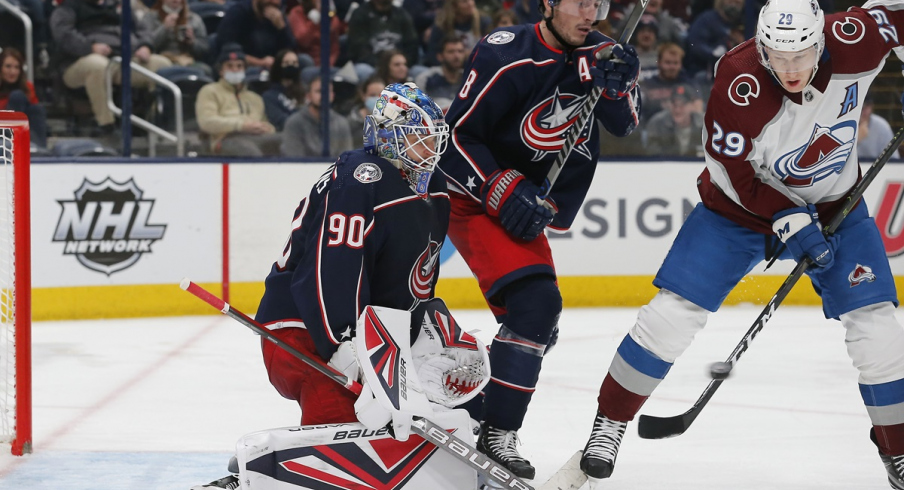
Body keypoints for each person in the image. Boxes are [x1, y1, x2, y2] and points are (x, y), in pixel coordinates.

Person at [580, 1, 904, 488]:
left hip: (836, 204)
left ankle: (897, 450)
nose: (790, 69)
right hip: (736, 211)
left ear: (823, 39)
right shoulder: (738, 78)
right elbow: (732, 168)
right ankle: (609, 422)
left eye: (802, 54)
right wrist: (787, 217)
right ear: (760, 44)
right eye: (777, 55)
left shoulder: (856, 36)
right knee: (670, 317)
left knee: (877, 328)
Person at [194, 83, 464, 490]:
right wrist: (346, 345)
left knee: (415, 409)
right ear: (388, 137)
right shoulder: (361, 177)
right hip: (303, 329)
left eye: (433, 141)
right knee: (344, 420)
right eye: (418, 139)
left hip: (368, 336)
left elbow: (415, 281)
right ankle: (257, 479)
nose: (430, 151)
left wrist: (421, 338)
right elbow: (330, 270)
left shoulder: (434, 189)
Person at [438, 0, 642, 479]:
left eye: (599, 3)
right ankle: (496, 432)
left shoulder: (608, 53)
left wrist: (620, 87)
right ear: (549, 4)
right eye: (579, 2)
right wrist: (497, 184)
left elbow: (624, 125)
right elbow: (455, 139)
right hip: (474, 198)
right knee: (535, 308)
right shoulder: (506, 53)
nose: (590, 12)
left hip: (524, 204)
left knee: (536, 327)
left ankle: (474, 401)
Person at [49, 0, 173, 132]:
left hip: (122, 58)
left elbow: (142, 29)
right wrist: (89, 47)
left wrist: (145, 45)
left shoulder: (119, 4)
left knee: (161, 64)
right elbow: (63, 35)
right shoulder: (69, 6)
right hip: (77, 63)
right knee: (97, 65)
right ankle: (106, 124)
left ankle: (154, 120)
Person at [196, 43, 281, 156]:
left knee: (286, 141)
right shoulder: (210, 91)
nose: (235, 70)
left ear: (245, 70)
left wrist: (267, 128)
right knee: (248, 150)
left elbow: (265, 123)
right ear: (221, 71)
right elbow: (207, 122)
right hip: (225, 139)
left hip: (256, 137)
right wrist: (241, 126)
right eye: (230, 66)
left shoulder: (254, 97)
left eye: (239, 66)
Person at [280, 74, 353, 157]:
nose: (324, 96)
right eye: (319, 91)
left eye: (327, 91)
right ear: (308, 96)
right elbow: (293, 159)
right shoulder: (294, 123)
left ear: (333, 96)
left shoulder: (341, 123)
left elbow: (346, 159)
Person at [216, 0, 296, 69]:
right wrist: (260, 63)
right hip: (242, 66)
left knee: (302, 61)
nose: (273, 1)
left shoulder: (279, 18)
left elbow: (290, 50)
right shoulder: (238, 12)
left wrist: (282, 28)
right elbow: (227, 49)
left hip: (274, 67)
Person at [138, 0, 211, 76]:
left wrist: (192, 41)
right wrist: (164, 28)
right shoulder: (150, 17)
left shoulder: (194, 19)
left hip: (188, 61)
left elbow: (205, 51)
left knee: (205, 70)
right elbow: (146, 44)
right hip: (163, 61)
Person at [346, 0, 419, 68]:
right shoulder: (360, 14)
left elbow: (411, 44)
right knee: (363, 69)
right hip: (371, 65)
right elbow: (358, 48)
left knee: (419, 71)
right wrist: (382, 67)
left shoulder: (402, 14)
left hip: (399, 64)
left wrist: (402, 63)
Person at [0, 48, 47, 148]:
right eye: (8, 66)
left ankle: (39, 148)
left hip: (22, 130)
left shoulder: (27, 87)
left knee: (36, 109)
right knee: (17, 96)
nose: (13, 72)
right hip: (2, 132)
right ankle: (32, 146)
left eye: (17, 67)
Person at [683, 0, 744, 76]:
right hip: (702, 69)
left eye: (737, 3)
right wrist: (713, 53)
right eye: (730, 1)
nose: (733, 5)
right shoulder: (707, 19)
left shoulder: (744, 22)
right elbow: (695, 43)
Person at [424, 0, 491, 67]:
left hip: (477, 67)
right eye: (464, 1)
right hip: (448, 70)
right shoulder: (442, 25)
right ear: (454, 6)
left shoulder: (484, 22)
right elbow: (433, 54)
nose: (470, 4)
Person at [644, 83, 703, 156]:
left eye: (682, 105)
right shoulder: (657, 123)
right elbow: (652, 155)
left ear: (691, 105)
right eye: (674, 104)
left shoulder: (706, 124)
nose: (677, 110)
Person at [287, 0, 345, 68]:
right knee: (306, 60)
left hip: (327, 65)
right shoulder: (297, 12)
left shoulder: (332, 18)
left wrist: (329, 64)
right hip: (307, 61)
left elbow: (334, 47)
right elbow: (303, 42)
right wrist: (314, 21)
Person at [414, 36, 467, 110]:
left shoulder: (469, 78)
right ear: (440, 56)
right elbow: (417, 108)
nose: (457, 56)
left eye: (460, 51)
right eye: (451, 52)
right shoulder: (425, 79)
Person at [262, 49, 303, 131]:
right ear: (278, 66)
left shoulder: (305, 92)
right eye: (286, 63)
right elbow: (280, 121)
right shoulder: (269, 96)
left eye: (295, 63)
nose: (291, 66)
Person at [858, 95, 900, 161]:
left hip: (876, 169)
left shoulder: (882, 126)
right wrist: (856, 140)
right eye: (860, 107)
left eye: (867, 107)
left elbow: (893, 159)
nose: (863, 112)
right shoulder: (844, 126)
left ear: (872, 107)